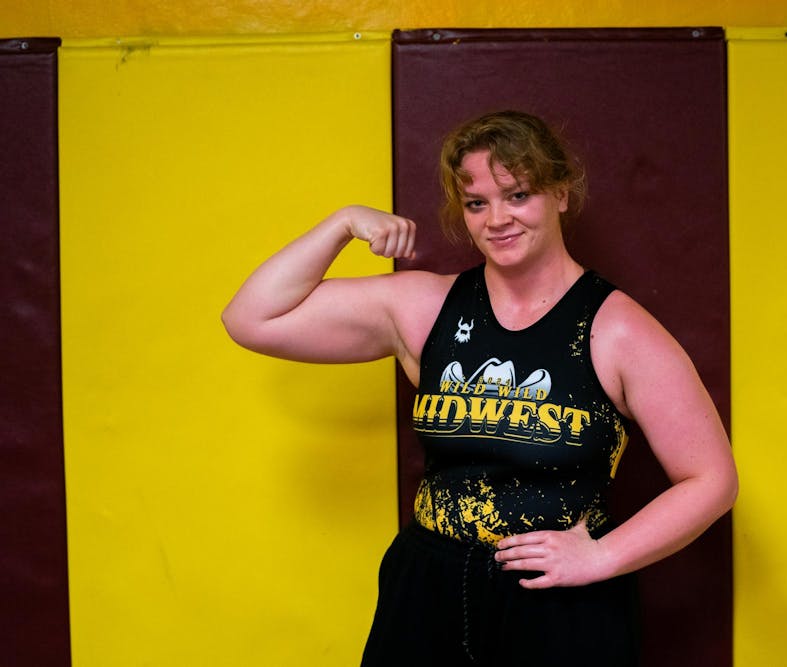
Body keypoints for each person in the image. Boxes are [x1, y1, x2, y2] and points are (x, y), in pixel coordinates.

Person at [222, 110, 737, 666]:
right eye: (476, 203)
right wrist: (342, 224)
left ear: (561, 193)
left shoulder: (617, 330)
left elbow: (712, 480)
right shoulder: (425, 307)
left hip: (555, 601)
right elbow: (251, 319)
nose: (497, 219)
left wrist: (601, 557)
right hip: (428, 589)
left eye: (517, 195)